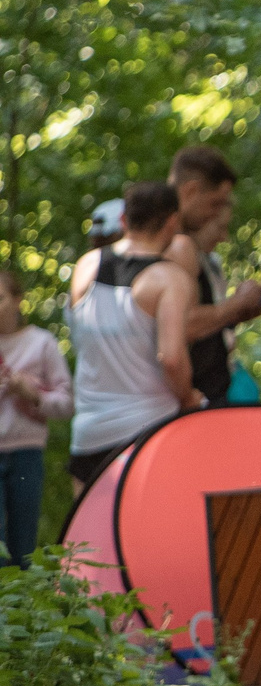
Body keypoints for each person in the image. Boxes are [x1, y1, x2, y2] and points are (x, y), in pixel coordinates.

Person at [67, 181, 198, 498]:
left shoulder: (87, 265)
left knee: (86, 541)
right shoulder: (170, 279)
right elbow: (172, 357)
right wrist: (187, 397)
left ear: (124, 219)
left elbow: (79, 336)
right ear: (172, 222)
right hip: (146, 430)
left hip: (88, 432)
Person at [167, 146, 261, 407]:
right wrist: (236, 304)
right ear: (190, 191)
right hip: (192, 397)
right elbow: (185, 324)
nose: (216, 212)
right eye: (215, 203)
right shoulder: (177, 246)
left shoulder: (189, 247)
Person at [0, 271, 73, 568]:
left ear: (18, 300)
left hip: (26, 454)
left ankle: (21, 611)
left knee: (22, 545)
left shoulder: (41, 343)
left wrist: (32, 395)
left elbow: (66, 404)